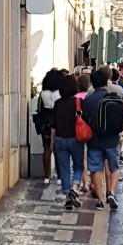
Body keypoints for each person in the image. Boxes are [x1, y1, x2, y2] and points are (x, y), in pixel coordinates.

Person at [81, 69, 123, 211]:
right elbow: (122, 118)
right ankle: (112, 192)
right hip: (112, 139)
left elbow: (85, 120)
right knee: (114, 167)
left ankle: (100, 200)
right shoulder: (115, 98)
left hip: (95, 140)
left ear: (92, 83)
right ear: (106, 82)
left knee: (96, 168)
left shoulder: (88, 100)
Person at [52, 75, 85, 210]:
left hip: (60, 139)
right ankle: (75, 187)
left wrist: (52, 141)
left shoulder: (58, 103)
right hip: (75, 139)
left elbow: (54, 124)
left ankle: (67, 197)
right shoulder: (78, 102)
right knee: (78, 167)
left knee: (64, 169)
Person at [36, 69, 64, 184]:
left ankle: (46, 176)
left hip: (45, 121)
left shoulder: (43, 93)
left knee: (46, 148)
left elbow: (40, 108)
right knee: (58, 149)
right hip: (57, 120)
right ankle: (59, 176)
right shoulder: (60, 92)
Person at [75, 73, 92, 193]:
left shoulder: (75, 98)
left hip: (79, 130)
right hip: (90, 130)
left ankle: (84, 182)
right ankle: (94, 183)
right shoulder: (89, 97)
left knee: (82, 158)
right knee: (93, 157)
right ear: (89, 84)